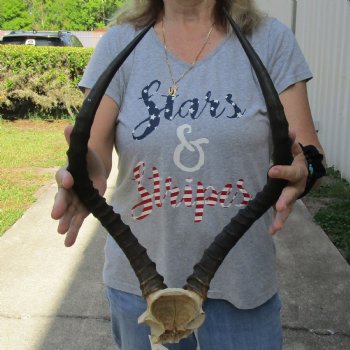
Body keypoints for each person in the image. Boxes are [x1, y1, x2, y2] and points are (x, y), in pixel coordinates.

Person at [51, 0, 325, 349]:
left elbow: (311, 157)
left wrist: (305, 171)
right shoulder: (119, 43)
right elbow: (95, 154)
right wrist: (83, 171)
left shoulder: (270, 40)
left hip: (242, 290)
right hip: (141, 292)